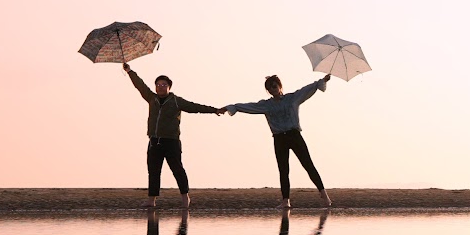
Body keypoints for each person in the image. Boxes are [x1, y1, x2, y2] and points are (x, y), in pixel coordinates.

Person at [225, 73, 334, 208]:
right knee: (283, 170)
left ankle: (324, 196)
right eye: (269, 88)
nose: (272, 89)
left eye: (274, 86)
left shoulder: (292, 99)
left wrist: (322, 81)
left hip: (294, 136)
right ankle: (285, 201)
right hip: (279, 138)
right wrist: (232, 107)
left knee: (308, 165)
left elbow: (307, 90)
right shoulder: (266, 105)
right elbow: (250, 107)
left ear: (279, 86)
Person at [124, 63, 224, 209]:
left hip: (171, 141)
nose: (160, 87)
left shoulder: (176, 101)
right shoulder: (151, 98)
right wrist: (129, 71)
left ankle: (185, 198)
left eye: (164, 85)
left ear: (169, 87)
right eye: (158, 84)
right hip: (154, 141)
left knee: (177, 169)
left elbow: (194, 107)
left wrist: (214, 110)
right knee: (153, 170)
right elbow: (140, 85)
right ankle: (151, 200)